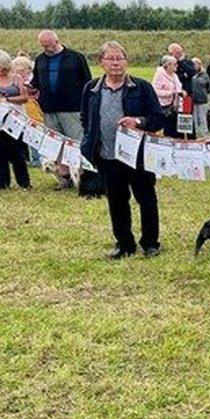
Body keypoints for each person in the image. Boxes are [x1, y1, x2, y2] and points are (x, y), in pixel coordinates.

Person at [79, 41, 165, 259]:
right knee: (116, 202)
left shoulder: (142, 87)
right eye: (110, 58)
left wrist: (137, 121)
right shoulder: (91, 89)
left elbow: (157, 119)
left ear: (126, 62)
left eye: (120, 58)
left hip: (138, 156)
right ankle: (124, 244)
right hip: (107, 156)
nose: (116, 63)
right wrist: (91, 143)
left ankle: (150, 243)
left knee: (146, 199)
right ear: (101, 63)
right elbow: (85, 119)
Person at [33, 30, 92, 189]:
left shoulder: (76, 58)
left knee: (76, 142)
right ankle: (64, 178)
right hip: (49, 109)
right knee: (56, 145)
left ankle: (84, 177)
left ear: (56, 41)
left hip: (72, 108)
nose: (46, 49)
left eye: (49, 45)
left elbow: (87, 82)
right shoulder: (40, 60)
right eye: (43, 46)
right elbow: (35, 82)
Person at [0, 50, 31, 189]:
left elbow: (25, 98)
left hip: (16, 120)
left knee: (18, 152)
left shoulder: (17, 78)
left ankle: (24, 182)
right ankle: (2, 183)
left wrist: (7, 100)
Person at [151, 55, 183, 137]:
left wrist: (181, 91)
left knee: (173, 130)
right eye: (174, 64)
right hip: (163, 107)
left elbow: (178, 87)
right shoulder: (159, 75)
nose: (177, 66)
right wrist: (170, 92)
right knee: (165, 130)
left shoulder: (174, 75)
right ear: (168, 65)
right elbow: (155, 91)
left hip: (174, 106)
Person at [190, 57, 210, 136]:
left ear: (200, 64)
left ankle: (204, 134)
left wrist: (203, 93)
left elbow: (208, 86)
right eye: (193, 63)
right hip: (193, 100)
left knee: (202, 118)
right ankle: (196, 134)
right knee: (194, 119)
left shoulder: (204, 74)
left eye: (196, 63)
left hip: (202, 100)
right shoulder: (190, 74)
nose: (194, 65)